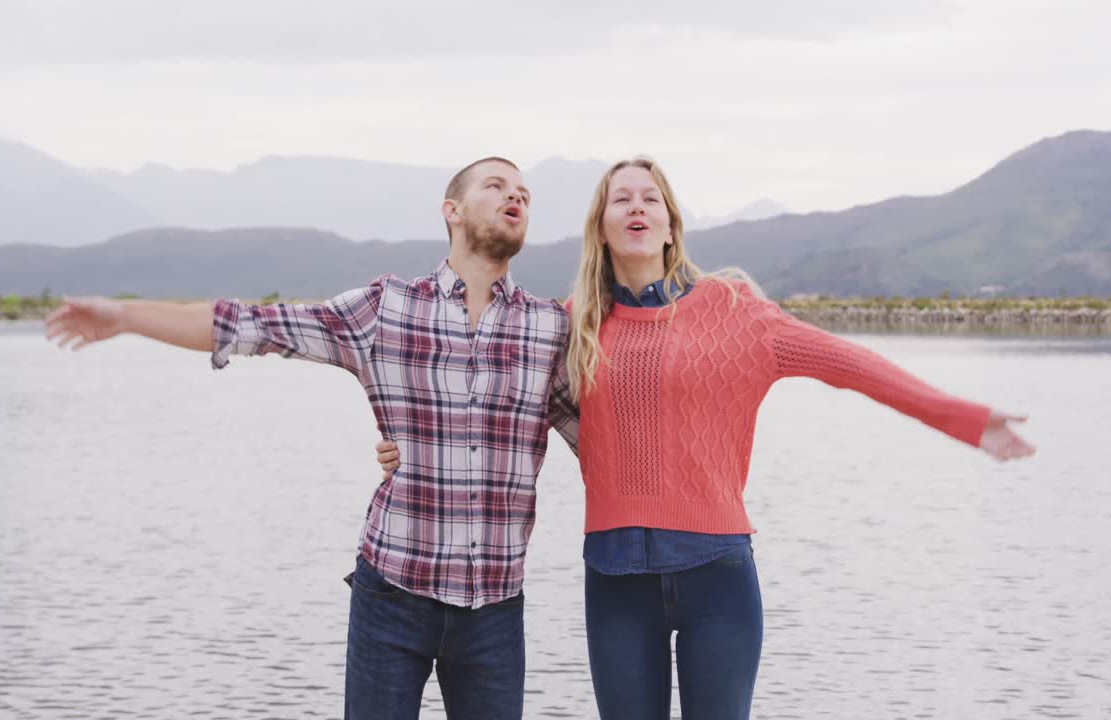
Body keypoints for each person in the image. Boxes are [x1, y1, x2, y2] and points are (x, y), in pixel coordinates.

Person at [375, 156, 1035, 719]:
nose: (636, 206)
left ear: (670, 225)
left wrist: (967, 420)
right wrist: (402, 447)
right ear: (601, 229)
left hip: (717, 575)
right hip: (615, 581)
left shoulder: (735, 312)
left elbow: (852, 367)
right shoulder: (571, 325)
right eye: (620, 199)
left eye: (651, 198)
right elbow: (487, 399)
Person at [43, 157, 581, 720]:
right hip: (394, 592)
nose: (514, 197)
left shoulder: (549, 329)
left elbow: (606, 441)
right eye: (495, 186)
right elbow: (252, 325)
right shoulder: (386, 309)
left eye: (523, 192)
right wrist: (126, 317)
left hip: (494, 608)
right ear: (451, 211)